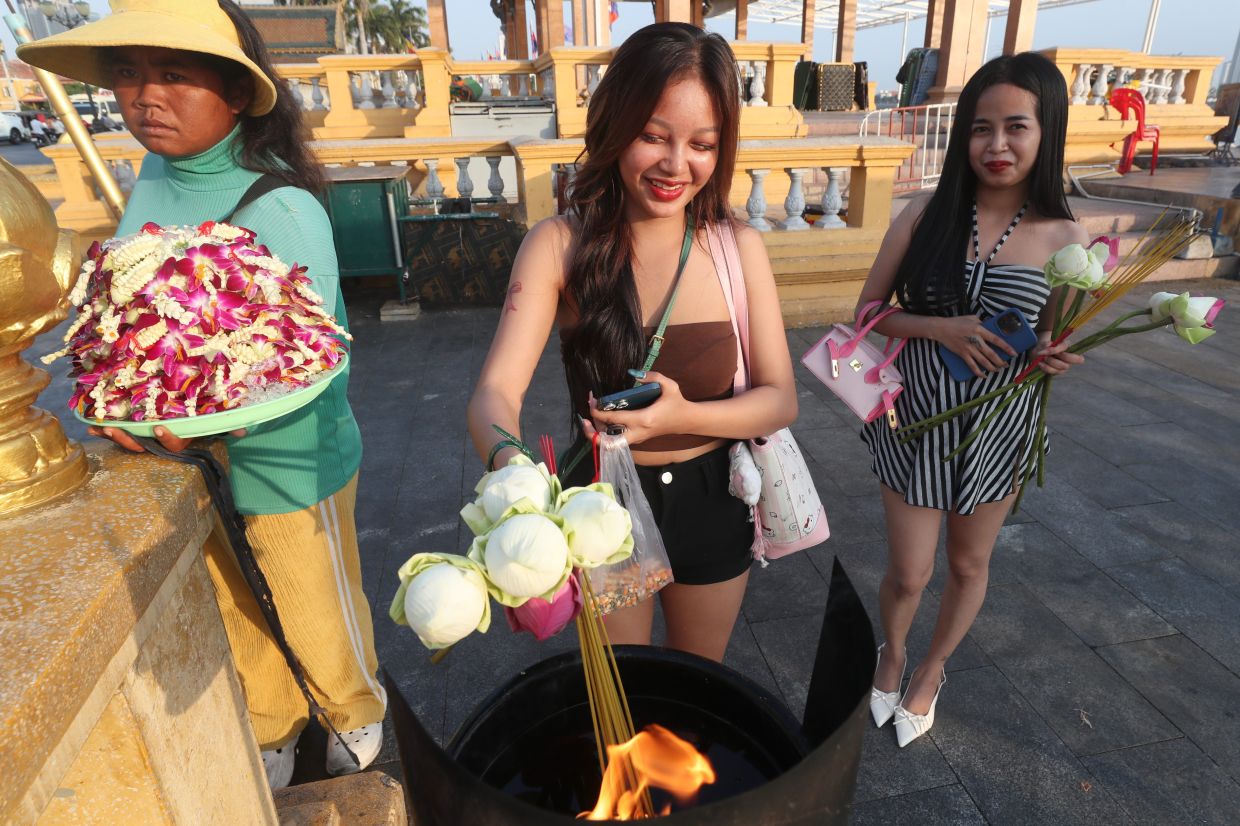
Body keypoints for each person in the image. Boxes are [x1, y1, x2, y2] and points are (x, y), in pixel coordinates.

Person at [19, 0, 383, 788]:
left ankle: (356, 712)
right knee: (235, 601)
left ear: (235, 93)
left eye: (175, 76)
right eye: (128, 75)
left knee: (312, 605)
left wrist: (199, 419)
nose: (145, 96)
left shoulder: (280, 206)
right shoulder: (152, 173)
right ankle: (275, 726)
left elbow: (316, 358)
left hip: (289, 461)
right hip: (184, 454)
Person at [466, 22, 796, 663]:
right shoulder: (559, 246)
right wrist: (515, 481)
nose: (678, 166)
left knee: (700, 682)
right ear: (615, 127)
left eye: (703, 144)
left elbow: (780, 400)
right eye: (653, 137)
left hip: (714, 494)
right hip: (601, 505)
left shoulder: (739, 249)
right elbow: (494, 394)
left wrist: (684, 417)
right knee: (623, 691)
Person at [855, 52, 1086, 747]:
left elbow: (1052, 341)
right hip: (917, 419)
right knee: (909, 570)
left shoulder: (1066, 242)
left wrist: (1054, 356)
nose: (997, 145)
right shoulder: (924, 214)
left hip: (998, 429)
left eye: (1017, 127)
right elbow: (865, 314)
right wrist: (937, 327)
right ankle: (891, 652)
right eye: (980, 128)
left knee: (966, 564)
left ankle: (930, 670)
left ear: (1047, 133)